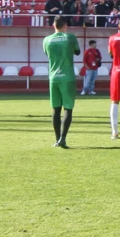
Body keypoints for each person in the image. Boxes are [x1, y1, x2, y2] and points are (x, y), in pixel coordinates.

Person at [43, 17, 80, 148]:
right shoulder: (70, 37)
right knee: (68, 109)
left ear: (54, 25)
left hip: (53, 77)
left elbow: (47, 54)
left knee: (55, 109)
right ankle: (63, 138)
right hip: (67, 77)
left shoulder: (46, 39)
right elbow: (77, 52)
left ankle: (57, 139)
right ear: (65, 25)